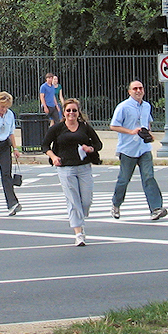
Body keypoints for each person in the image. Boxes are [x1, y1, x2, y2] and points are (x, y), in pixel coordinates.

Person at [42, 98, 102, 246]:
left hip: (84, 167)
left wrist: (90, 149)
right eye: (68, 110)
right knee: (73, 201)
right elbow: (44, 145)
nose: (71, 113)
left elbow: (98, 143)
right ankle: (78, 234)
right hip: (65, 168)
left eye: (74, 110)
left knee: (86, 200)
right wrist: (54, 157)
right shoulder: (57, 128)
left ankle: (80, 220)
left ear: (78, 112)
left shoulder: (85, 127)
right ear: (64, 112)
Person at [109, 80, 168, 221]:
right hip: (128, 149)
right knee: (124, 179)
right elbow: (113, 126)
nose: (138, 91)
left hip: (144, 148)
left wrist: (149, 134)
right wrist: (130, 132)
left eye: (140, 88)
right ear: (129, 91)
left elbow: (147, 123)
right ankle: (116, 204)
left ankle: (156, 208)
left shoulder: (146, 106)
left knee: (149, 177)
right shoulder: (123, 107)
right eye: (135, 88)